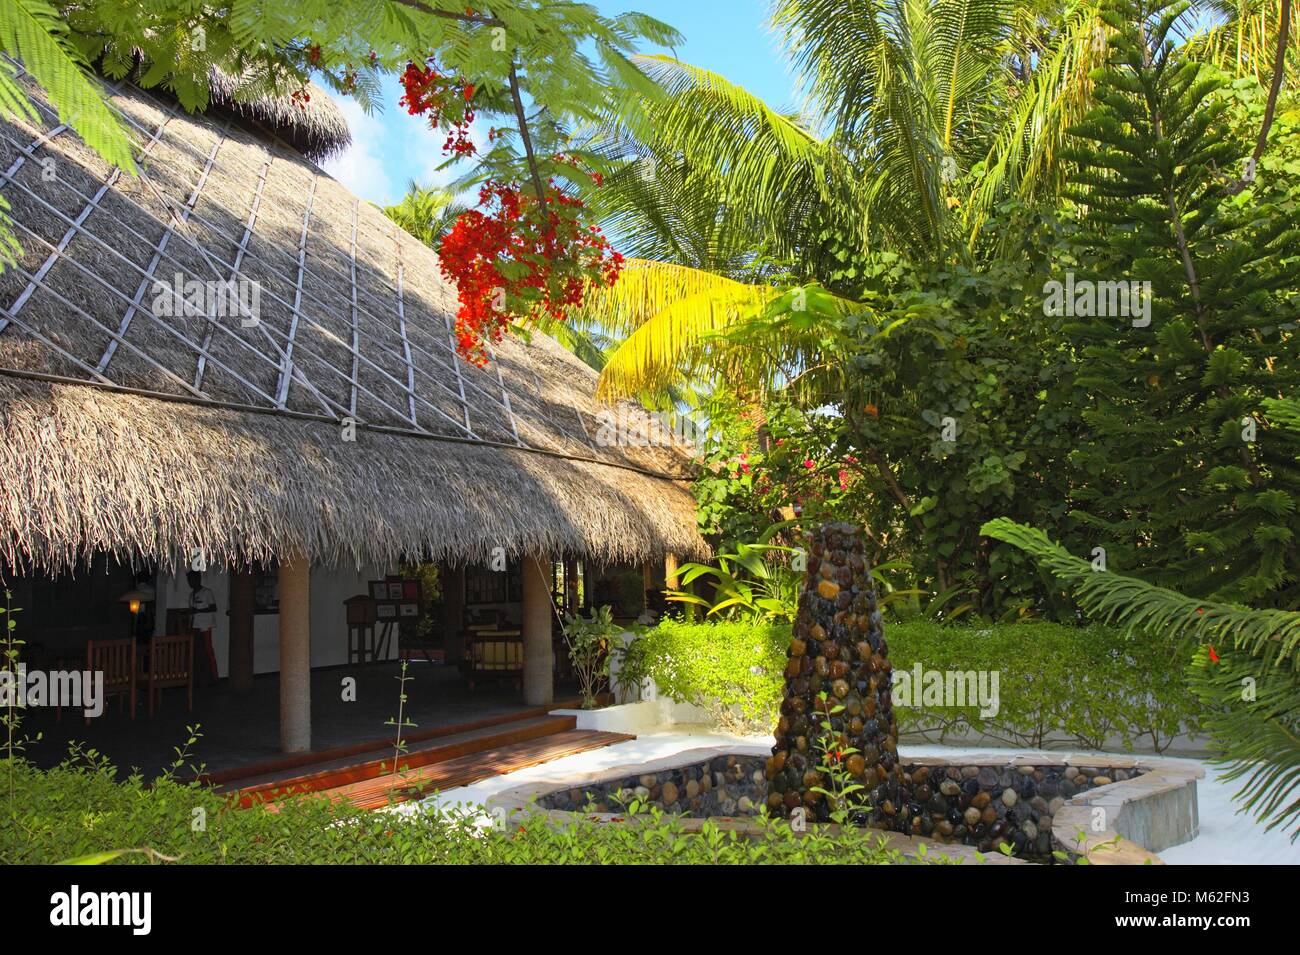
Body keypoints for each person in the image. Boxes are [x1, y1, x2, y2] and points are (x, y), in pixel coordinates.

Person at [187, 571, 220, 685]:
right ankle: (199, 678)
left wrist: (198, 611)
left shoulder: (207, 592)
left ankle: (214, 678)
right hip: (194, 626)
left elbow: (213, 607)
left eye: (192, 580)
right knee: (196, 653)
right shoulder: (191, 595)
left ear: (198, 579)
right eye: (189, 580)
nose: (190, 583)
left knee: (208, 651)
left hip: (205, 626)